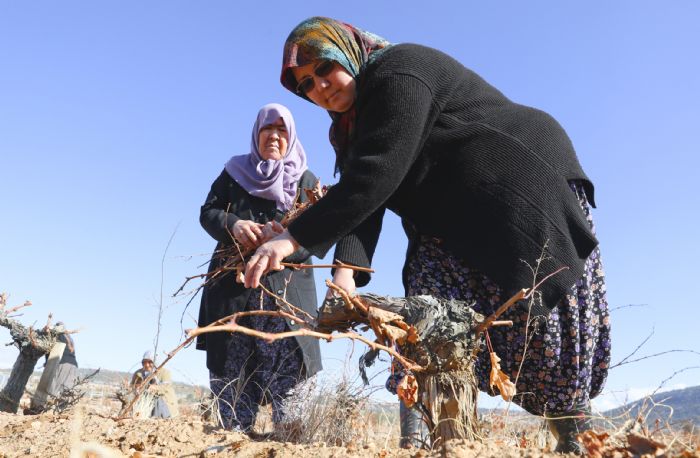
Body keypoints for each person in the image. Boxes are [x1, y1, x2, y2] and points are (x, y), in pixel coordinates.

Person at [243, 17, 610, 454]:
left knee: (542, 331)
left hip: (520, 189)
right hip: (448, 219)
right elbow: (366, 201)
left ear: (346, 52)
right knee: (425, 320)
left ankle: (579, 443)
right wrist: (344, 278)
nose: (319, 87)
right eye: (306, 84)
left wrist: (292, 237)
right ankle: (424, 446)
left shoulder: (400, 71)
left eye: (324, 69)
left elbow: (376, 175)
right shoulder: (352, 127)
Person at [196, 103, 322, 433]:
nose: (274, 136)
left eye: (282, 130)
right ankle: (232, 440)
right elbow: (208, 213)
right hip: (232, 295)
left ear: (291, 136)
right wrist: (234, 224)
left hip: (285, 300)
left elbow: (319, 233)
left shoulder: (307, 181)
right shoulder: (233, 174)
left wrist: (284, 244)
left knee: (290, 391)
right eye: (268, 128)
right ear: (256, 133)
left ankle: (289, 442)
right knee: (232, 388)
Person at [131, 351, 171, 418]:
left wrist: (154, 388)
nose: (147, 365)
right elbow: (132, 386)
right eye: (144, 362)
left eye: (150, 362)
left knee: (158, 399)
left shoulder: (164, 373)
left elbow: (165, 388)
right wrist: (137, 388)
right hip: (142, 402)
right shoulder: (138, 373)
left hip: (161, 403)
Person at [45, 322, 79, 398]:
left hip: (63, 363)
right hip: (73, 365)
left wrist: (46, 362)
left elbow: (49, 350)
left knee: (54, 389)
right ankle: (62, 405)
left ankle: (49, 403)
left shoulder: (58, 336)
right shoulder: (69, 338)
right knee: (67, 391)